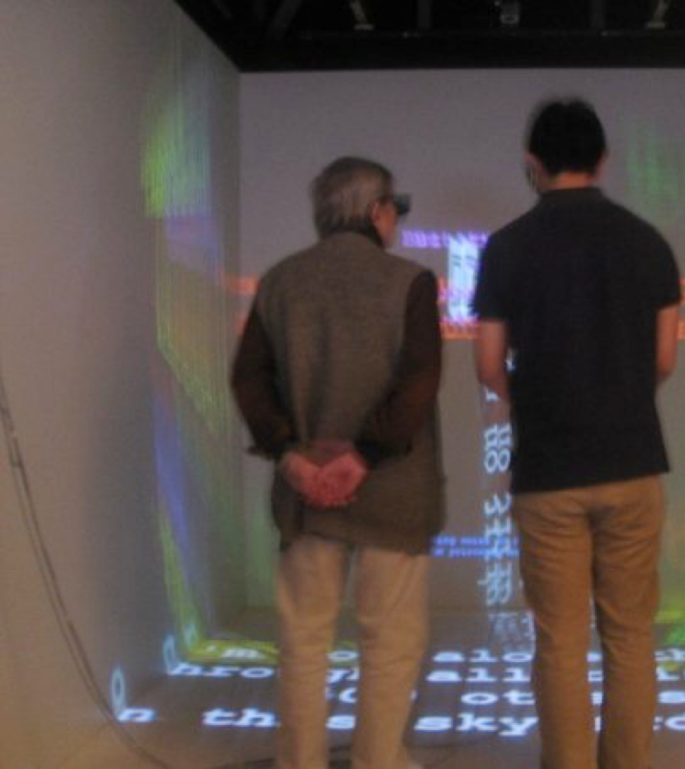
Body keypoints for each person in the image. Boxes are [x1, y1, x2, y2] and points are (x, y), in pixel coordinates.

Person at [472, 99, 681, 769]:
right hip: (634, 462)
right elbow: (665, 358)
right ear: (603, 161)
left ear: (531, 163)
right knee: (630, 636)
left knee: (559, 643)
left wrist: (535, 399)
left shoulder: (507, 246)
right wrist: (619, 393)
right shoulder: (648, 242)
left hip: (548, 471)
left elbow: (487, 363)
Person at [231, 156, 444, 769]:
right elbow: (418, 384)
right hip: (394, 495)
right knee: (389, 645)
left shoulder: (280, 281)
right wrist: (364, 457)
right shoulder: (410, 282)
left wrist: (290, 456)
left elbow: (249, 380)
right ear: (377, 211)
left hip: (307, 498)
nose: (397, 220)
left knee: (303, 644)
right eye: (397, 209)